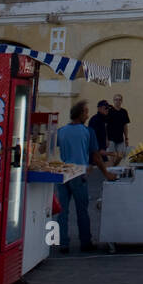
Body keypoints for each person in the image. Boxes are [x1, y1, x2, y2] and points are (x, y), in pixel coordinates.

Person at [55, 100, 116, 253]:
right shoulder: (88, 132)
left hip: (62, 173)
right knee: (82, 210)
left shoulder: (61, 131)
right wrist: (106, 173)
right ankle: (85, 242)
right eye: (86, 112)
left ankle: (62, 243)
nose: (88, 115)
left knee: (62, 211)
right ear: (81, 114)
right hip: (78, 173)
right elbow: (96, 156)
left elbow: (46, 147)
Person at [106, 93, 130, 158]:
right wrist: (106, 139)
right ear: (113, 101)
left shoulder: (124, 112)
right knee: (112, 157)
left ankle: (117, 167)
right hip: (111, 139)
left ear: (121, 101)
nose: (118, 101)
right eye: (116, 100)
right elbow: (106, 126)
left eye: (119, 100)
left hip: (120, 139)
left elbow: (125, 126)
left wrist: (126, 138)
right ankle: (112, 167)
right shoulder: (109, 111)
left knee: (120, 157)